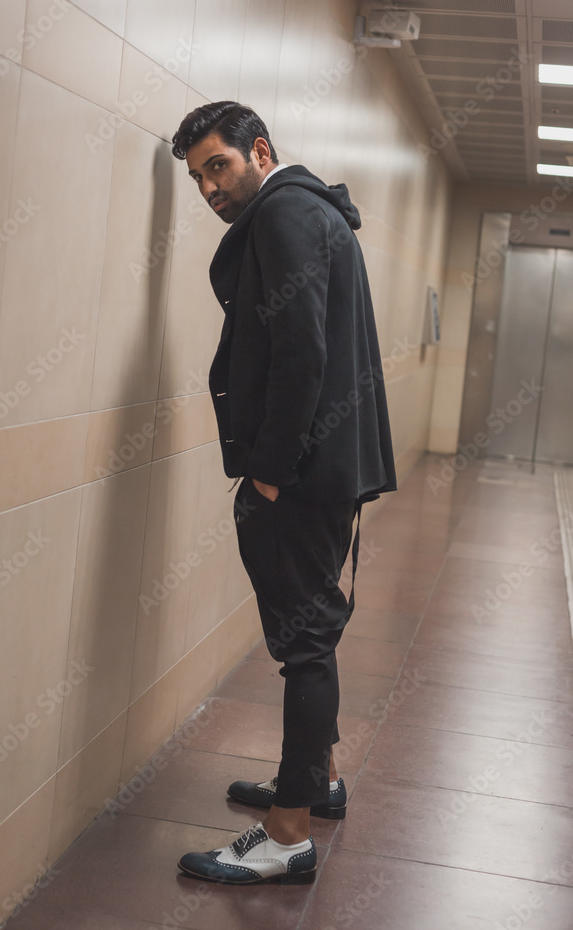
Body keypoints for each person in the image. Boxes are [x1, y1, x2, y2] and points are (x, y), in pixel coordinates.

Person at [170, 102, 396, 885]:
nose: (208, 187)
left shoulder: (283, 214)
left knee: (304, 648)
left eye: (217, 166)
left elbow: (302, 348)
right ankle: (315, 781)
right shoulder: (311, 210)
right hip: (330, 465)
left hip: (299, 474)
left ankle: (287, 834)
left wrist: (269, 467)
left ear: (258, 151)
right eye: (198, 176)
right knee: (312, 638)